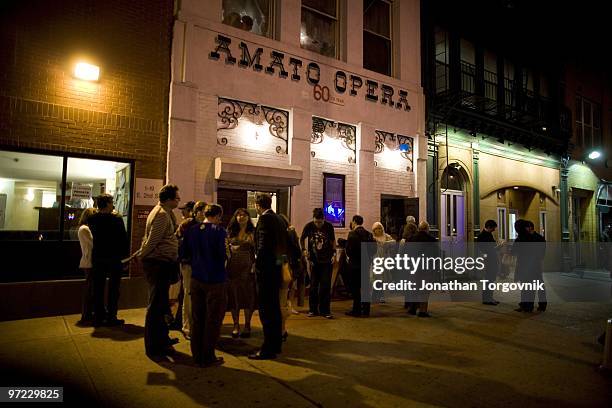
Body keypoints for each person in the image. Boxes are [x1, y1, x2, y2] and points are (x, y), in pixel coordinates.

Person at [138, 184, 181, 359]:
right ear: (170, 199)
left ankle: (162, 340)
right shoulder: (162, 214)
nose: (179, 200)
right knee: (156, 307)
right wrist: (142, 255)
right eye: (177, 197)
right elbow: (152, 241)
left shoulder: (164, 212)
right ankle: (153, 347)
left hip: (162, 263)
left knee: (162, 305)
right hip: (157, 264)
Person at [182, 204, 228, 367]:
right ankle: (208, 355)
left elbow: (184, 252)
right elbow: (223, 254)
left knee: (197, 317)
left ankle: (196, 354)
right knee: (213, 319)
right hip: (215, 279)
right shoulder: (220, 232)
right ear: (218, 216)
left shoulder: (192, 230)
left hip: (196, 278)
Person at [249, 193, 288, 360]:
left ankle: (268, 348)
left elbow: (263, 247)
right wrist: (280, 265)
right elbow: (282, 246)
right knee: (275, 310)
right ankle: (276, 344)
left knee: (266, 310)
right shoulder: (279, 219)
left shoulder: (265, 220)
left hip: (266, 273)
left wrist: (257, 264)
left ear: (258, 205)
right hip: (276, 270)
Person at [88, 194, 129, 327]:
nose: (113, 205)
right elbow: (123, 240)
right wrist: (125, 259)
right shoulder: (117, 219)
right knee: (114, 289)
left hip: (98, 257)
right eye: (112, 202)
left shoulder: (92, 219)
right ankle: (112, 316)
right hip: (114, 258)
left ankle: (98, 316)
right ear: (106, 204)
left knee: (98, 287)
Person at [175, 200, 206, 339]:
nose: (202, 213)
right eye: (200, 210)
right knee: (188, 295)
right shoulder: (187, 224)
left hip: (202, 265)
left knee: (199, 295)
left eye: (205, 211)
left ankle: (198, 325)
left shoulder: (207, 226)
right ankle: (187, 327)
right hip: (188, 264)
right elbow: (177, 239)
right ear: (195, 212)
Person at [300, 208, 336, 319]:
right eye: (316, 222)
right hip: (314, 261)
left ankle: (325, 310)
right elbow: (302, 238)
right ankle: (313, 309)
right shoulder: (309, 226)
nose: (318, 224)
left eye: (320, 222)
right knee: (313, 286)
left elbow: (333, 241)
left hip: (327, 260)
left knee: (325, 285)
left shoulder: (329, 226)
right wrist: (304, 250)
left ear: (323, 220)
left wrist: (334, 254)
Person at [226, 208, 257, 339]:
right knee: (234, 297)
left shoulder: (253, 231)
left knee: (247, 297)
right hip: (233, 267)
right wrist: (230, 248)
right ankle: (236, 325)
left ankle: (247, 325)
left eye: (244, 215)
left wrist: (255, 264)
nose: (241, 217)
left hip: (247, 267)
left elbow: (257, 249)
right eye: (238, 215)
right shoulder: (231, 231)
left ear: (248, 217)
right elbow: (225, 247)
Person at [345, 215, 375, 317]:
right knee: (366, 288)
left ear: (354, 222)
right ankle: (366, 311)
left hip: (355, 265)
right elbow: (373, 250)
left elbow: (348, 250)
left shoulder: (352, 234)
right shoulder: (369, 234)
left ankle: (356, 310)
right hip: (366, 264)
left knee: (355, 289)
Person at [406, 221, 437, 317]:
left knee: (414, 288)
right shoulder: (432, 240)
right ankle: (423, 310)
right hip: (426, 268)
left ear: (419, 228)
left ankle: (412, 308)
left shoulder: (411, 239)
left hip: (414, 267)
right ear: (427, 229)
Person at [279, 214, 303, 340]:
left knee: (281, 298)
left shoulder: (285, 235)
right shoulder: (290, 233)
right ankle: (282, 329)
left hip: (284, 268)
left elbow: (284, 255)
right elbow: (296, 250)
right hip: (288, 267)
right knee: (284, 296)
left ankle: (281, 329)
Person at [76, 208, 97, 326]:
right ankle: (86, 315)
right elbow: (93, 244)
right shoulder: (85, 229)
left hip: (89, 262)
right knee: (89, 290)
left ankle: (89, 314)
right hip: (89, 262)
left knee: (91, 289)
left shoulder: (85, 228)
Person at [477, 220, 502, 305]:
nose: (494, 230)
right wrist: (497, 248)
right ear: (489, 227)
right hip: (489, 260)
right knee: (489, 280)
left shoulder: (487, 235)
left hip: (492, 259)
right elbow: (485, 250)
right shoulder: (482, 236)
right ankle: (487, 299)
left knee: (491, 280)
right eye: (493, 228)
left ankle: (489, 298)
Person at [372, 222, 395, 304]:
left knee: (383, 279)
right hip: (376, 259)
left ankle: (381, 296)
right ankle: (375, 296)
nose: (378, 230)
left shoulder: (386, 236)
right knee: (376, 278)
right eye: (376, 229)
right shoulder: (373, 237)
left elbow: (394, 242)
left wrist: (387, 243)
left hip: (384, 259)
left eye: (379, 228)